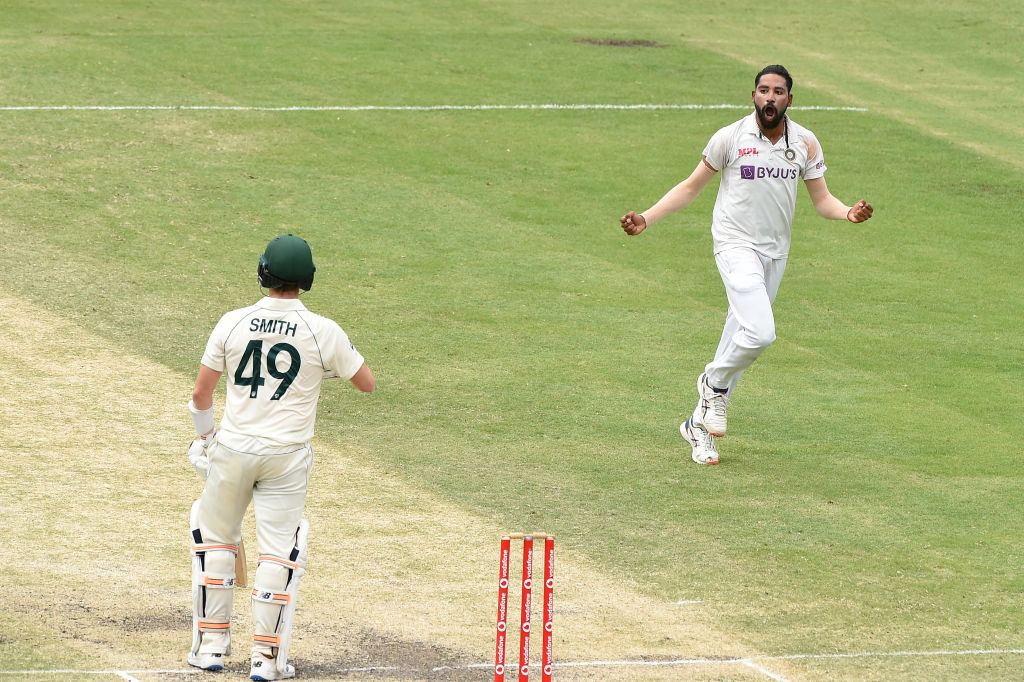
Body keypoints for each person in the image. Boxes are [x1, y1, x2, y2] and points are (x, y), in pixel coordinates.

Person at [620, 64, 872, 466]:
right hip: (735, 246)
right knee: (760, 332)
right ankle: (712, 384)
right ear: (753, 96)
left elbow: (823, 201)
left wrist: (848, 214)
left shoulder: (805, 143)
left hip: (775, 253)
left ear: (790, 98)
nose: (769, 97)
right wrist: (647, 218)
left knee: (738, 336)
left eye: (778, 91)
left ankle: (698, 427)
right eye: (762, 90)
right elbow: (690, 188)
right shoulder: (730, 138)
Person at [185, 234, 375, 680]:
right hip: (287, 457)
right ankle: (266, 662)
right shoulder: (322, 330)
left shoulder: (232, 322)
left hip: (233, 449)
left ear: (263, 272)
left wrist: (207, 439)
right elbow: (366, 382)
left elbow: (200, 394)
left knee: (214, 539)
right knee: (279, 552)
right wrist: (324, 366)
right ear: (306, 280)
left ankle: (211, 648)